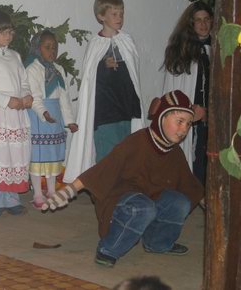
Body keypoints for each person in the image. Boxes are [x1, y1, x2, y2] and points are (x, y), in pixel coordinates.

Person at [42, 90, 204, 268]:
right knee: (143, 207)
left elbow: (190, 184)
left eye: (188, 124)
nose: (184, 129)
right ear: (161, 117)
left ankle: (157, 243)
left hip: (150, 198)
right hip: (122, 199)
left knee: (180, 202)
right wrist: (67, 192)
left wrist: (212, 205)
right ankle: (108, 249)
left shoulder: (175, 152)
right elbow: (102, 170)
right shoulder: (137, 141)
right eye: (179, 121)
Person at [64, 0, 144, 183]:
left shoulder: (127, 41)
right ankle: (105, 189)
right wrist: (103, 66)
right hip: (105, 111)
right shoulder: (96, 44)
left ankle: (121, 190)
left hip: (125, 109)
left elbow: (134, 75)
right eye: (114, 14)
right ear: (101, 16)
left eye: (121, 14)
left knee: (125, 153)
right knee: (107, 155)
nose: (119, 18)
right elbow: (90, 79)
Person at [0, 11, 33, 217]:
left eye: (10, 31)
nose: (8, 36)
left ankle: (12, 199)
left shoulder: (15, 56)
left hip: (17, 116)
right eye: (3, 32)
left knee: (15, 155)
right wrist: (7, 100)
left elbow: (24, 82)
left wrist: (26, 95)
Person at [24, 31, 78, 208]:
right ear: (37, 48)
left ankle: (52, 190)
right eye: (47, 47)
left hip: (55, 116)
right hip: (39, 116)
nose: (52, 51)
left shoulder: (58, 70)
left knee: (53, 155)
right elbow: (34, 97)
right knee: (38, 155)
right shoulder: (32, 69)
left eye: (54, 47)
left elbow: (64, 98)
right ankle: (37, 193)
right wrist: (44, 113)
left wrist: (69, 120)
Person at [162, 1, 213, 185]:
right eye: (198, 20)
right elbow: (174, 88)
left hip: (213, 117)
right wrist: (189, 111)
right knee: (192, 160)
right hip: (190, 115)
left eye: (206, 19)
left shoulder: (219, 48)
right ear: (191, 23)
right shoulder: (180, 50)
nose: (203, 24)